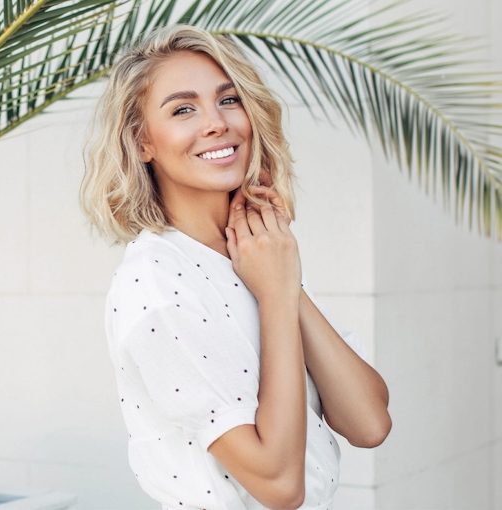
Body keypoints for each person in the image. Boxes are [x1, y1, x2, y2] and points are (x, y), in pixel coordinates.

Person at [79, 25, 391, 509]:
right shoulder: (156, 285)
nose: (216, 123)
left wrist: (282, 283)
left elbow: (370, 424)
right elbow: (280, 486)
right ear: (143, 142)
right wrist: (274, 293)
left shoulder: (260, 257)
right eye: (183, 109)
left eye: (228, 100)